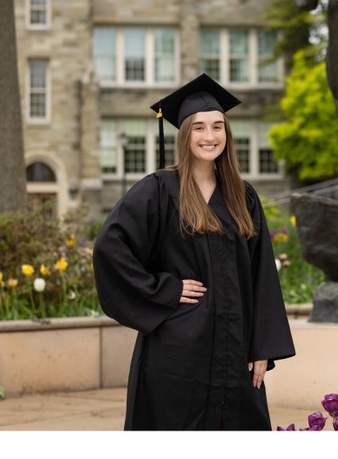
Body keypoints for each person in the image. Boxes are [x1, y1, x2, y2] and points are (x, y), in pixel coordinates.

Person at [93, 73, 295, 430]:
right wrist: (165, 290)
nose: (210, 136)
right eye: (199, 127)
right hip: (176, 353)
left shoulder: (242, 196)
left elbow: (262, 273)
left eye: (218, 127)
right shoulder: (158, 190)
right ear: (185, 135)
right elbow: (111, 247)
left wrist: (262, 347)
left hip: (235, 352)